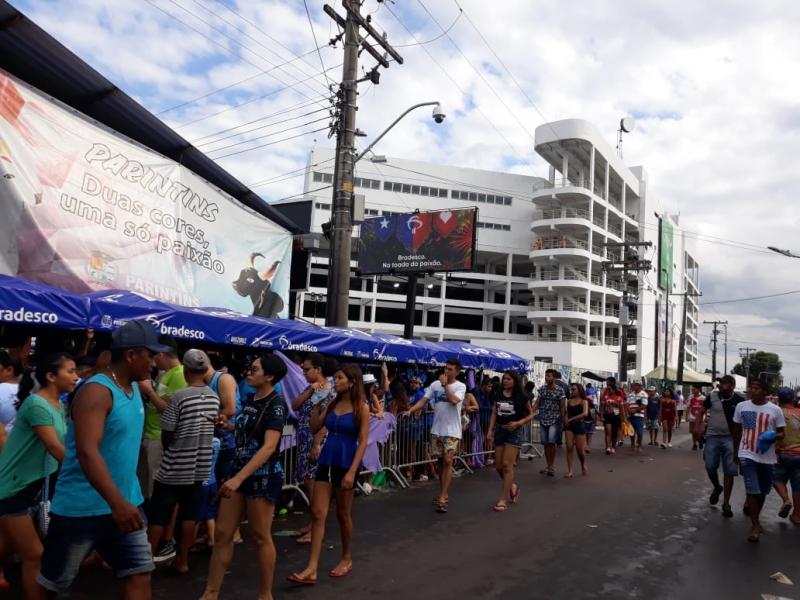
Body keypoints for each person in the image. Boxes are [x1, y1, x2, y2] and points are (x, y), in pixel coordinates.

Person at [36, 320, 171, 598]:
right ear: (131, 355)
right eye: (150, 354)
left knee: (140, 573)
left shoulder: (134, 389)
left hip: (126, 505)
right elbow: (87, 451)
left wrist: (124, 502)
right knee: (54, 585)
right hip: (81, 509)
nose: (155, 362)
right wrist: (116, 503)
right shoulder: (96, 391)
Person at [199, 353, 288, 600]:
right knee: (223, 534)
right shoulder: (250, 399)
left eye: (255, 369)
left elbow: (269, 446)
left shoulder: (276, 404)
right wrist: (227, 425)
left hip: (262, 476)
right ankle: (211, 591)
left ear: (269, 376)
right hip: (237, 473)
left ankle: (265, 594)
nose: (249, 371)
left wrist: (239, 479)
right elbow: (246, 431)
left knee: (260, 536)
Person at [0, 353, 76, 598]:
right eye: (71, 371)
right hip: (13, 488)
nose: (76, 376)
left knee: (9, 543)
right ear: (51, 376)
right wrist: (86, 473)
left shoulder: (58, 403)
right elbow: (54, 447)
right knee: (33, 553)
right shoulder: (36, 405)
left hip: (33, 485)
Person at [288, 364, 370, 585]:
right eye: (335, 377)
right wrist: (314, 401)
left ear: (352, 382)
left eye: (340, 378)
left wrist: (352, 471)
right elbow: (315, 427)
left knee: (343, 515)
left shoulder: (361, 407)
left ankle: (346, 557)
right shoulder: (333, 402)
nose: (335, 381)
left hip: (346, 462)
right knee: (317, 513)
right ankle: (311, 568)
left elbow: (363, 441)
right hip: (327, 460)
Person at [146, 349, 219, 574]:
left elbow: (167, 431)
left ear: (187, 371)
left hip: (174, 466)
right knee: (190, 515)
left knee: (159, 514)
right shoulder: (213, 398)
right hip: (199, 468)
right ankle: (183, 561)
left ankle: (146, 560)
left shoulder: (180, 397)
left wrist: (171, 447)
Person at [404, 359, 467, 512]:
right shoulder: (434, 385)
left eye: (451, 369)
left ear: (457, 372)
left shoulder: (460, 386)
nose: (447, 371)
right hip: (437, 429)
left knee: (448, 460)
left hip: (452, 430)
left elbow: (453, 401)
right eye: (446, 368)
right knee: (440, 462)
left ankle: (444, 496)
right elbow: (424, 400)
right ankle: (442, 493)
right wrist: (411, 410)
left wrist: (445, 386)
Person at [733, 378, 786, 543]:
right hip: (747, 453)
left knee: (762, 491)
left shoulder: (775, 410)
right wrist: (736, 452)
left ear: (765, 391)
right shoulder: (742, 407)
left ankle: (756, 519)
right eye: (751, 387)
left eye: (756, 388)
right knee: (752, 490)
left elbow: (782, 433)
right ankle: (755, 525)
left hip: (767, 457)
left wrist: (771, 437)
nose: (752, 390)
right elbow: (736, 431)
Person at [137, 336, 187, 509]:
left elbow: (171, 410)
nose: (152, 361)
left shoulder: (180, 375)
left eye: (153, 356)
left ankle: (157, 529)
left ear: (161, 354)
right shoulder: (166, 374)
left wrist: (149, 392)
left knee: (155, 487)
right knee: (146, 485)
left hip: (160, 437)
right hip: (151, 435)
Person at [291, 353, 334, 546]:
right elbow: (295, 405)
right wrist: (309, 391)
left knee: (314, 487)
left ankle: (317, 528)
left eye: (307, 369)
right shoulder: (312, 388)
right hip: (304, 440)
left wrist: (316, 444)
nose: (304, 372)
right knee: (310, 485)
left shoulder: (328, 391)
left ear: (318, 369)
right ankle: (312, 524)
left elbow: (326, 420)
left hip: (315, 441)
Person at [486, 371, 532, 511]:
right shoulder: (498, 394)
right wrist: (490, 430)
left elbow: (531, 414)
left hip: (514, 432)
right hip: (500, 431)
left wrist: (519, 423)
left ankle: (502, 500)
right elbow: (494, 412)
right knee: (499, 466)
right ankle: (512, 486)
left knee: (507, 465)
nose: (505, 381)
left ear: (515, 381)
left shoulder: (522, 396)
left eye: (508, 379)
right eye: (504, 379)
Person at [701, 374, 743, 519]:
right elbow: (701, 411)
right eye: (720, 383)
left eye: (724, 383)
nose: (721, 385)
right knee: (710, 466)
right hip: (712, 436)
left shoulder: (739, 401)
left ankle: (726, 503)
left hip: (730, 439)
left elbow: (742, 423)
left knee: (729, 471)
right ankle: (717, 487)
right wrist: (699, 427)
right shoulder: (712, 396)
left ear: (732, 385)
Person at [772, 387, 800, 525]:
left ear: (779, 399)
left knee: (776, 478)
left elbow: (774, 434)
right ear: (793, 399)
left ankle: (786, 500)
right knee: (798, 485)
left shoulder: (777, 413)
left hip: (783, 453)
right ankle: (797, 515)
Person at [532, 369, 566, 475]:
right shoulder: (542, 389)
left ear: (554, 378)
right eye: (546, 376)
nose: (547, 378)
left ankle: (552, 466)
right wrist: (530, 413)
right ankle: (548, 465)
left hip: (555, 419)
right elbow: (537, 403)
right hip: (543, 419)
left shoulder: (560, 390)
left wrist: (563, 420)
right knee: (545, 444)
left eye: (549, 376)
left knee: (552, 442)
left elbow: (562, 406)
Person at [563, 383, 589, 478]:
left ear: (579, 390)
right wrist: (566, 420)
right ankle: (570, 471)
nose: (572, 391)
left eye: (574, 389)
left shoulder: (584, 401)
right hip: (569, 426)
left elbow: (585, 413)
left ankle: (583, 464)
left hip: (579, 425)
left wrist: (571, 419)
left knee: (580, 451)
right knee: (569, 447)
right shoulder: (569, 401)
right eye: (571, 389)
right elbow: (566, 412)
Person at [600, 377, 625, 455]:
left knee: (614, 432)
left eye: (608, 383)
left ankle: (613, 446)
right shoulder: (605, 393)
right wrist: (601, 415)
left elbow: (622, 404)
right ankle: (608, 447)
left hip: (616, 416)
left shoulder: (619, 393)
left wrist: (623, 418)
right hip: (607, 415)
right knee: (608, 431)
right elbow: (602, 405)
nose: (607, 386)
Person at [625, 381, 647, 452]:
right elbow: (627, 403)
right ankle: (632, 444)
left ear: (639, 386)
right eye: (633, 385)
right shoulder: (630, 394)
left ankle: (639, 445)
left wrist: (635, 410)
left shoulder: (643, 394)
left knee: (639, 432)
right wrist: (629, 410)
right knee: (632, 431)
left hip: (639, 415)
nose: (633, 387)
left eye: (634, 385)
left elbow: (644, 405)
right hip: (630, 415)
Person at [688, 384, 706, 450]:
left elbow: (705, 408)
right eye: (692, 389)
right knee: (693, 432)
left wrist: (706, 417)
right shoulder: (690, 397)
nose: (692, 390)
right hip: (692, 416)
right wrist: (688, 415)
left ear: (698, 390)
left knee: (700, 431)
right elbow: (689, 406)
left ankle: (700, 440)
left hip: (701, 417)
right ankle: (694, 444)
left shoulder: (703, 398)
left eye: (693, 389)